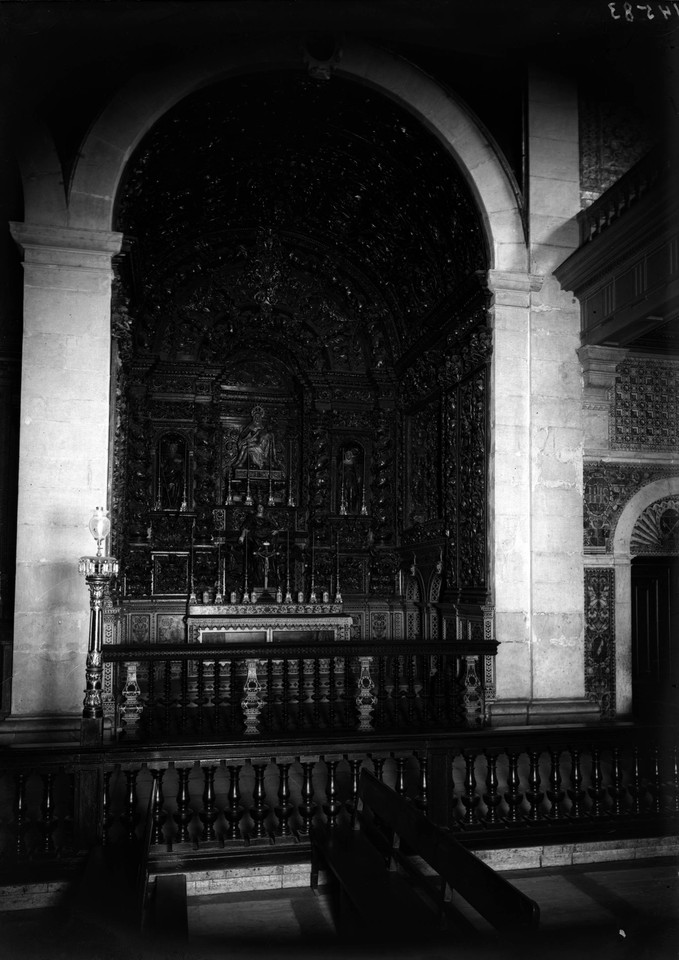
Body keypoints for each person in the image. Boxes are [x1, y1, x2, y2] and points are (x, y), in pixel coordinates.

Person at [235, 405, 277, 470]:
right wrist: (247, 440)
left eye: (258, 417)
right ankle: (239, 462)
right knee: (244, 447)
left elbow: (271, 446)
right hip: (255, 445)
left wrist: (274, 458)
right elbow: (244, 435)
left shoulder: (265, 430)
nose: (257, 418)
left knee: (246, 449)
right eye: (256, 417)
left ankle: (240, 463)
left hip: (260, 449)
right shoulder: (251, 426)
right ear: (254, 417)